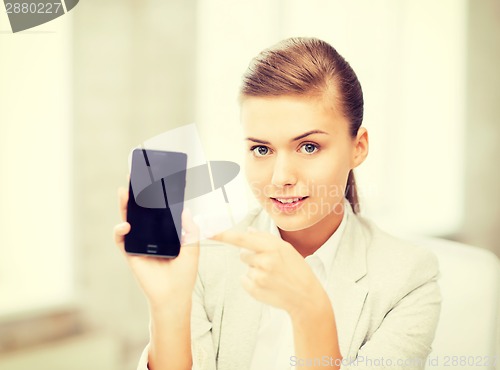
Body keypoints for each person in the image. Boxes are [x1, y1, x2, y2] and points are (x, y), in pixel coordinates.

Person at [114, 37, 441, 370]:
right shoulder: (204, 260)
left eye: (309, 147)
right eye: (261, 149)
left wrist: (311, 310)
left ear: (358, 147)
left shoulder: (409, 280)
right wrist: (169, 308)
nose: (281, 177)